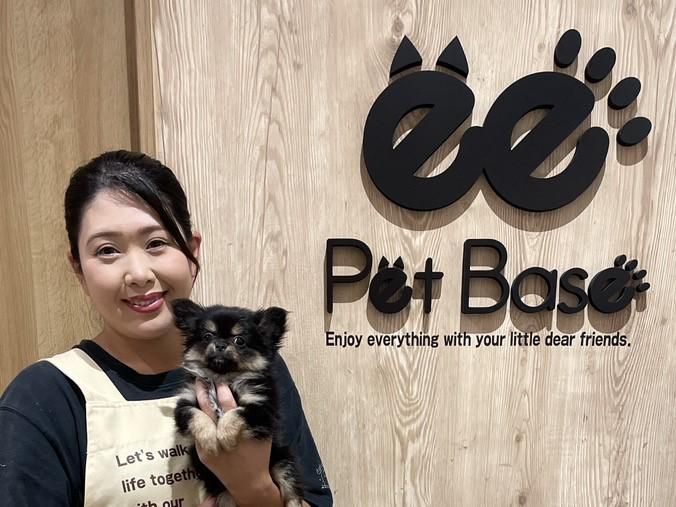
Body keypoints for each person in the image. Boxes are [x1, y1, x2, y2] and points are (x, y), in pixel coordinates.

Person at [0, 150, 333, 507]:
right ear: (78, 268)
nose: (139, 274)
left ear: (192, 251)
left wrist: (253, 488)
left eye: (156, 243)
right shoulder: (44, 397)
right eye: (107, 250)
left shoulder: (257, 365)